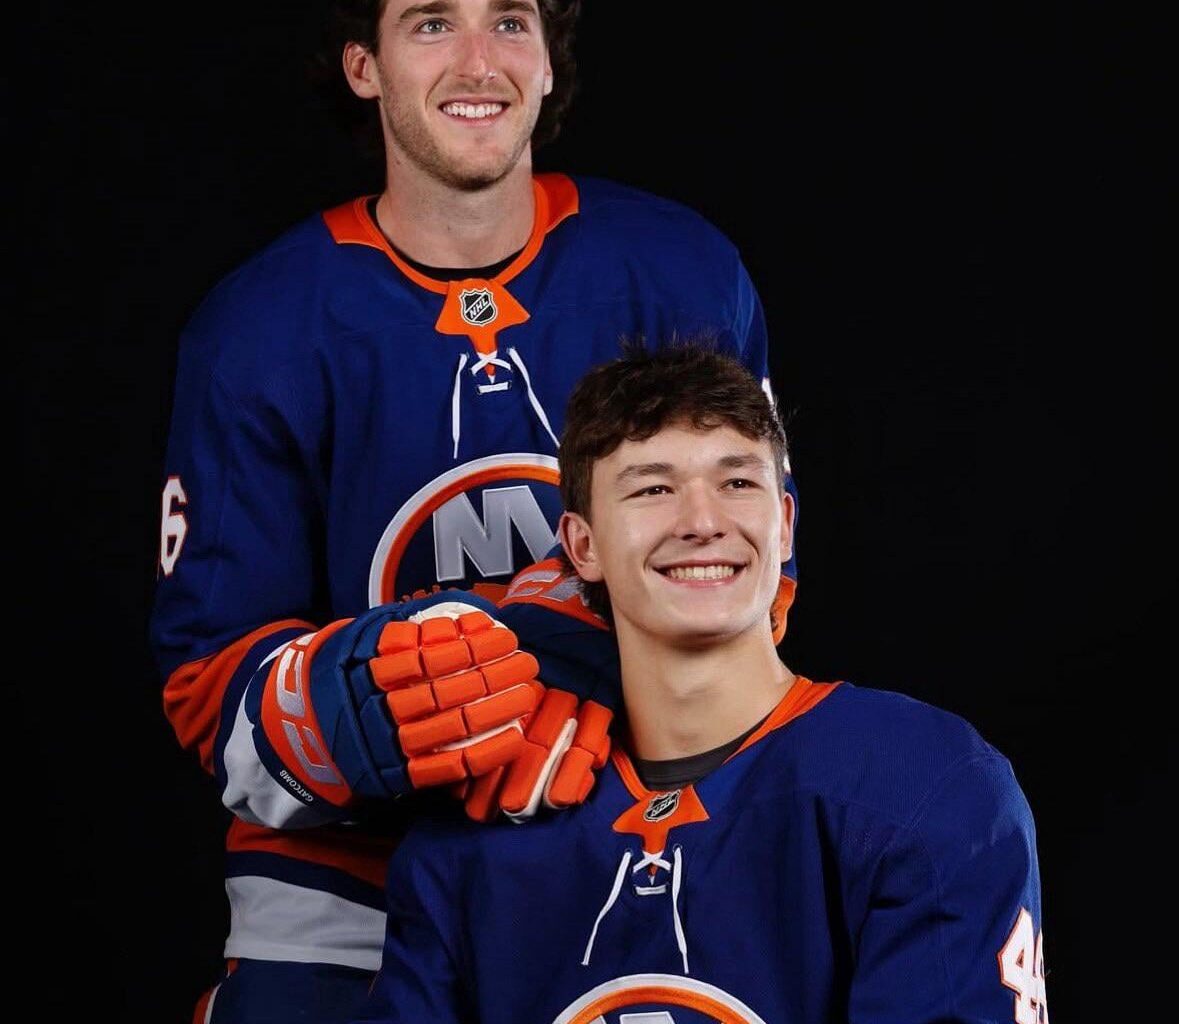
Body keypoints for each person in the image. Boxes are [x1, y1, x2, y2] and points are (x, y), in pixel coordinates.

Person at [149, 2, 795, 1021]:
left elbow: (762, 568)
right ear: (363, 65)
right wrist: (344, 709)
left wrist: (536, 643)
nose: (479, 61)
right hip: (346, 889)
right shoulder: (257, 331)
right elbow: (205, 683)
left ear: (547, 66)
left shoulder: (681, 272)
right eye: (433, 23)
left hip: (629, 837)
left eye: (509, 21)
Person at [353, 341, 1049, 1024]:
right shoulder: (475, 836)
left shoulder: (924, 780)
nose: (702, 522)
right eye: (653, 488)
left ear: (782, 523)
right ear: (582, 546)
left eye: (737, 482)